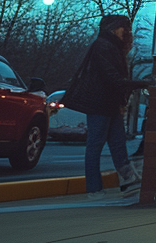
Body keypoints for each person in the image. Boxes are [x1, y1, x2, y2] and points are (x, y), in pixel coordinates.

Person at [62, 15, 149, 199]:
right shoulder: (104, 46)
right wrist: (141, 84)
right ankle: (94, 188)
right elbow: (112, 78)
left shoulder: (110, 47)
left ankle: (127, 182)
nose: (127, 32)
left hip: (108, 104)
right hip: (100, 104)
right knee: (96, 145)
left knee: (117, 144)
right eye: (124, 28)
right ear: (114, 28)